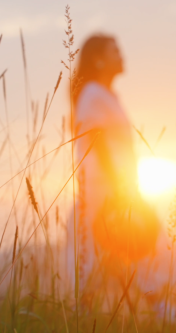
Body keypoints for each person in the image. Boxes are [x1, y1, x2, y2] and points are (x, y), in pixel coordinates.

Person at [66, 34, 160, 295]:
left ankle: (160, 309)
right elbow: (98, 142)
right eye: (115, 51)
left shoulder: (106, 95)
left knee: (126, 260)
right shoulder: (93, 94)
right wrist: (120, 188)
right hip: (105, 194)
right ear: (98, 60)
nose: (122, 56)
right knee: (108, 264)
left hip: (115, 191)